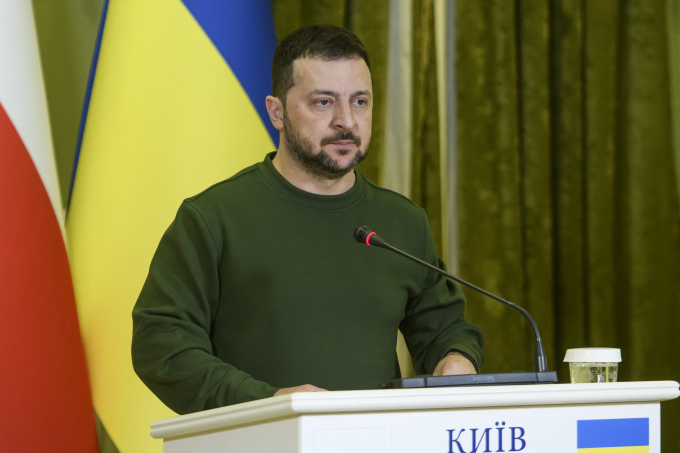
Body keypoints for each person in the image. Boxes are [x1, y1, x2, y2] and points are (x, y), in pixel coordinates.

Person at [131, 24, 484, 415]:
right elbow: (162, 343)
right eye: (323, 102)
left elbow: (444, 327)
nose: (346, 121)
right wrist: (266, 402)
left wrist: (456, 358)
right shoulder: (212, 218)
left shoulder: (402, 222)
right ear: (277, 112)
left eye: (360, 101)